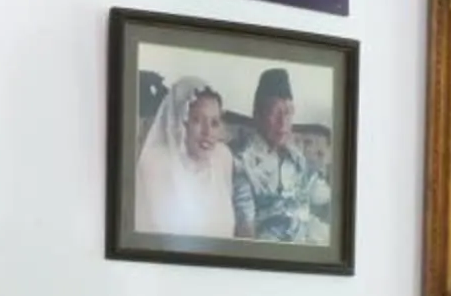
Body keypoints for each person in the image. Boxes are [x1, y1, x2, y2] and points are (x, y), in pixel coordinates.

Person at [232, 67, 331, 244]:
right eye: (275, 112)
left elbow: (319, 194)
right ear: (258, 115)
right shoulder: (243, 162)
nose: (283, 121)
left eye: (288, 112)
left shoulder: (297, 156)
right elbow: (245, 228)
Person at [134, 76, 240, 239]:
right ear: (179, 122)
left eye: (214, 123)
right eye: (197, 120)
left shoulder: (222, 158)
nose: (208, 132)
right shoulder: (154, 164)